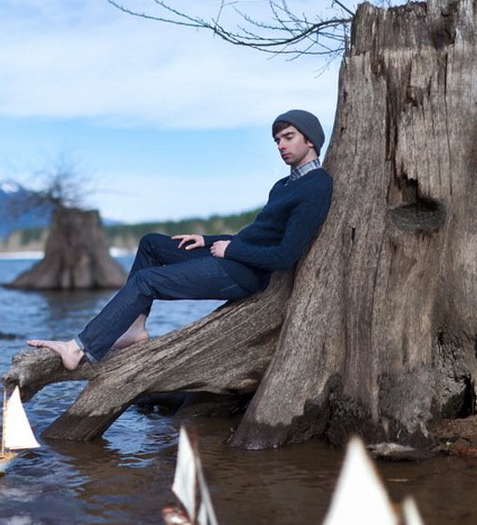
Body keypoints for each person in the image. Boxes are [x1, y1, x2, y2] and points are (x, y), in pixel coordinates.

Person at [27, 109, 334, 370]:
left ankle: (78, 348)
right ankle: (134, 329)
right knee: (151, 244)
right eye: (277, 140)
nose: (281, 145)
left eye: (288, 137)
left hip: (244, 274)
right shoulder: (283, 185)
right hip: (233, 256)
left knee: (146, 281)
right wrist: (207, 239)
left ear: (310, 140)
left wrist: (231, 250)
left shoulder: (316, 187)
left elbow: (284, 256)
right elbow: (257, 235)